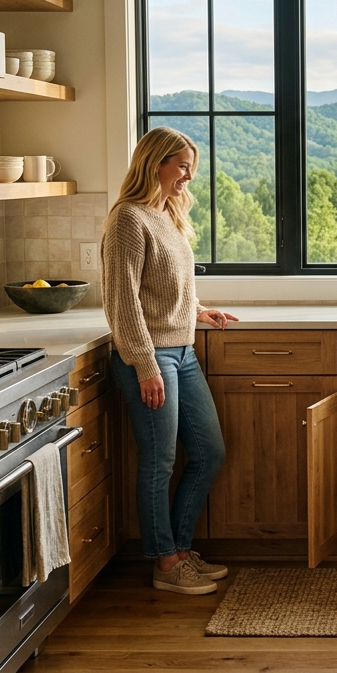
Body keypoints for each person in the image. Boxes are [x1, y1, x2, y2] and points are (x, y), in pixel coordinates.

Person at [102, 126, 239, 595]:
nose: (188, 176)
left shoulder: (167, 214)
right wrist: (145, 364)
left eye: (190, 168)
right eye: (182, 166)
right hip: (150, 356)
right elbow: (122, 301)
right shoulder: (128, 219)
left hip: (183, 351)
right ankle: (165, 564)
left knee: (209, 452)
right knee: (159, 462)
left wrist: (197, 311)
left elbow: (164, 285)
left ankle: (179, 550)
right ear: (154, 164)